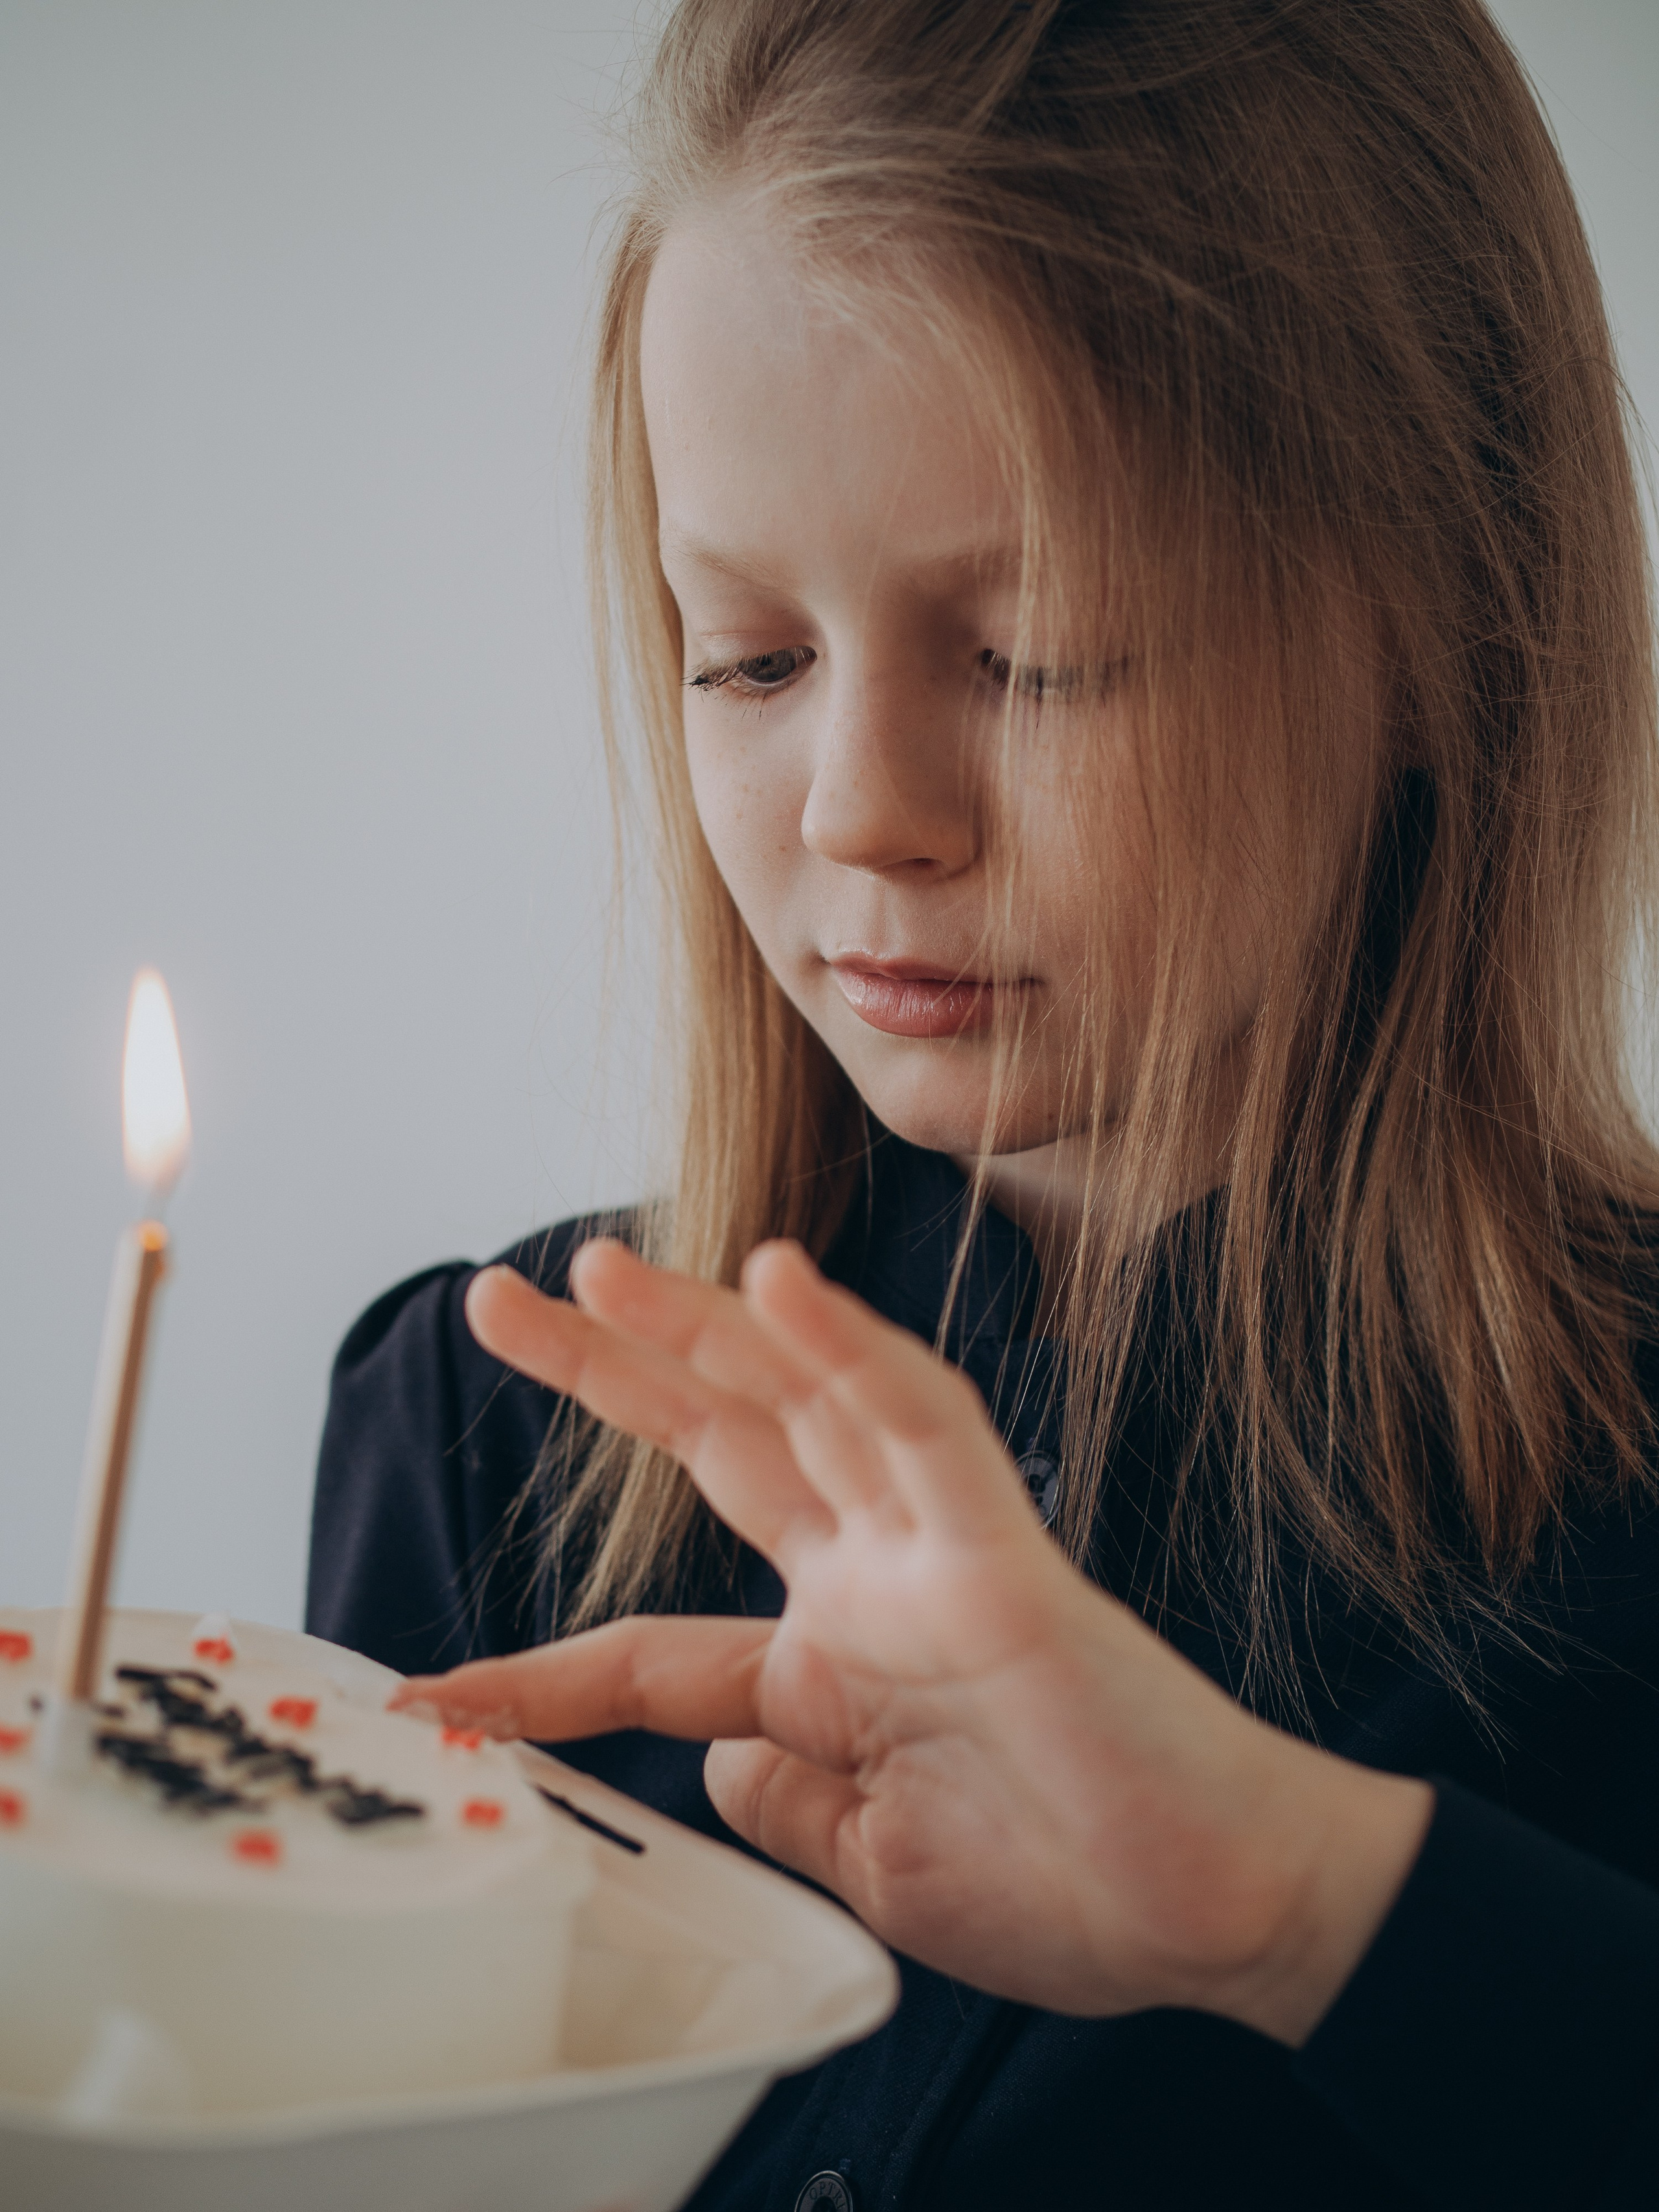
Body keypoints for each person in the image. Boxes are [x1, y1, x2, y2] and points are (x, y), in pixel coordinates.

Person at [307, 2, 1659, 2204]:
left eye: (1034, 655)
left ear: (1454, 625)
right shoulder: (486, 1443)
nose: (863, 813)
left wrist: (1318, 1913)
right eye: (748, 654)